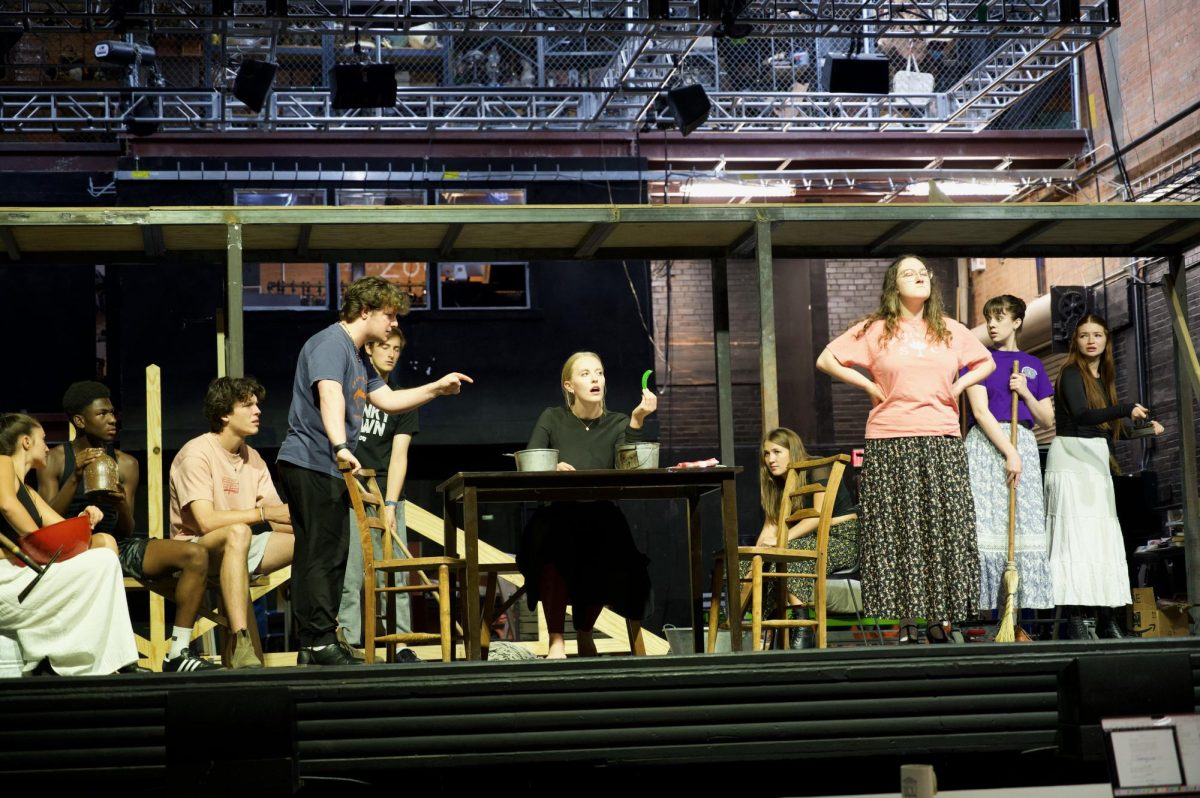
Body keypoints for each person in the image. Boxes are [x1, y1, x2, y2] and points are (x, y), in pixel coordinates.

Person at [278, 275, 471, 666]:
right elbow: (329, 394)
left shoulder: (357, 356)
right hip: (312, 460)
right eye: (389, 315)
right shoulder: (331, 343)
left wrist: (437, 387)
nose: (394, 324)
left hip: (321, 463)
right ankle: (317, 641)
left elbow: (389, 400)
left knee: (324, 551)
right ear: (365, 311)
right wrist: (340, 445)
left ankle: (313, 644)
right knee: (324, 553)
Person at [816, 255, 994, 644]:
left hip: (942, 438)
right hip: (889, 438)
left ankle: (938, 618)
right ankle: (908, 621)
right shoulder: (875, 329)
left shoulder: (949, 329)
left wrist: (960, 387)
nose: (919, 277)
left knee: (941, 528)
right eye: (907, 273)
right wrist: (865, 383)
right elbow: (826, 358)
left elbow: (985, 362)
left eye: (923, 272)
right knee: (898, 530)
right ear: (894, 286)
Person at [37, 381, 217, 672]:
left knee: (195, 556)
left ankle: (179, 652)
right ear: (80, 421)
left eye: (113, 413)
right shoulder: (56, 459)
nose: (112, 420)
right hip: (71, 548)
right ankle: (113, 654)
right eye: (103, 414)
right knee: (104, 546)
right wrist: (76, 478)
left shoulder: (126, 464)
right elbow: (46, 520)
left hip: (115, 544)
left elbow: (127, 528)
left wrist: (120, 502)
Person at [517, 351, 656, 659]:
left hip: (600, 515)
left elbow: (629, 468)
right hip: (557, 514)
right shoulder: (553, 417)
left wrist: (637, 420)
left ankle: (584, 631)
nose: (595, 379)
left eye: (599, 373)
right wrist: (551, 467)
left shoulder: (619, 422)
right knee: (554, 542)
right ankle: (556, 639)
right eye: (585, 374)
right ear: (569, 385)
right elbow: (530, 460)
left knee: (604, 542)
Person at [1045, 314, 1163, 639]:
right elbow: (1083, 416)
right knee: (1077, 543)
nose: (1091, 340)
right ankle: (1078, 618)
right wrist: (1125, 408)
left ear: (1106, 340)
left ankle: (1105, 615)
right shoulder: (1070, 373)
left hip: (1095, 461)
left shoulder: (1102, 378)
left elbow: (1110, 430)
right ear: (1076, 341)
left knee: (1100, 542)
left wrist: (1142, 430)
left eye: (1097, 334)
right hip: (1071, 459)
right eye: (1084, 335)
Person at [0, 412, 140, 676]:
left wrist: (85, 518)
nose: (48, 447)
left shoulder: (28, 491)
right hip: (8, 576)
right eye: (43, 439)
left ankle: (101, 659)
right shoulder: (2, 463)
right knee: (104, 558)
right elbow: (6, 506)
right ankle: (111, 660)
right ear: (26, 442)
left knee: (103, 548)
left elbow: (61, 530)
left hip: (23, 574)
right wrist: (38, 544)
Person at [169, 376, 294, 669]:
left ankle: (322, 634)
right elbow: (205, 521)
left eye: (257, 405)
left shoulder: (254, 458)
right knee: (239, 532)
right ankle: (241, 640)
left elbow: (280, 519)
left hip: (239, 548)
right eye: (248, 405)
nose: (257, 411)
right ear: (224, 414)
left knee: (312, 539)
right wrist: (263, 515)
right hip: (195, 551)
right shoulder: (196, 453)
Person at [963, 295, 1055, 615]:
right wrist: (1009, 451)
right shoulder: (978, 361)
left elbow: (1046, 418)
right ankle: (983, 611)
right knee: (987, 523)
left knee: (1021, 525)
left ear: (1016, 322)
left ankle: (1018, 615)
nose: (991, 324)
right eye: (989, 317)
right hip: (988, 446)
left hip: (1023, 440)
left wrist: (1025, 390)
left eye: (999, 317)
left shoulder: (1033, 365)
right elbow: (979, 410)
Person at [337, 329, 420, 659]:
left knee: (396, 573)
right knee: (352, 573)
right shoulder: (352, 392)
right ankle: (350, 642)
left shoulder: (403, 401)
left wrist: (390, 503)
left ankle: (401, 645)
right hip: (352, 491)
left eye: (397, 348)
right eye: (385, 346)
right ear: (369, 348)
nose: (392, 354)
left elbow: (400, 455)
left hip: (386, 494)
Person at [747, 428, 860, 631]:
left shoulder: (817, 466)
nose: (770, 459)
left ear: (793, 450)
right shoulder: (776, 485)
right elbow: (770, 527)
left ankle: (802, 627)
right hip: (805, 540)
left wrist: (782, 541)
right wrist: (756, 556)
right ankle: (756, 625)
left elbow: (818, 515)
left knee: (791, 556)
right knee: (746, 563)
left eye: (777, 452)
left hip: (840, 539)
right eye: (766, 454)